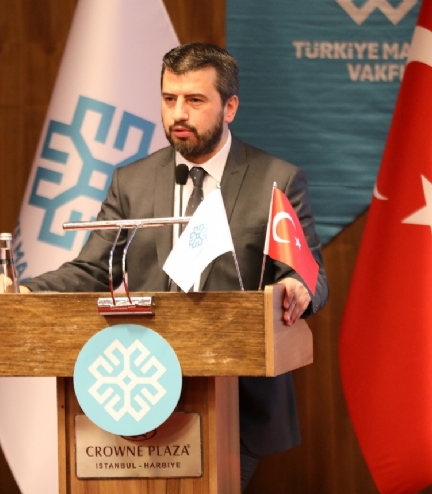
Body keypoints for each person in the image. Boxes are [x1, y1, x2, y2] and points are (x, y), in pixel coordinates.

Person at [18, 42, 328, 491]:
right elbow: (93, 270)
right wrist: (29, 292)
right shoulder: (132, 181)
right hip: (142, 390)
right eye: (169, 99)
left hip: (238, 401)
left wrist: (298, 287)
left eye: (195, 100)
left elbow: (309, 274)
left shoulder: (275, 180)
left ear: (230, 107)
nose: (178, 113)